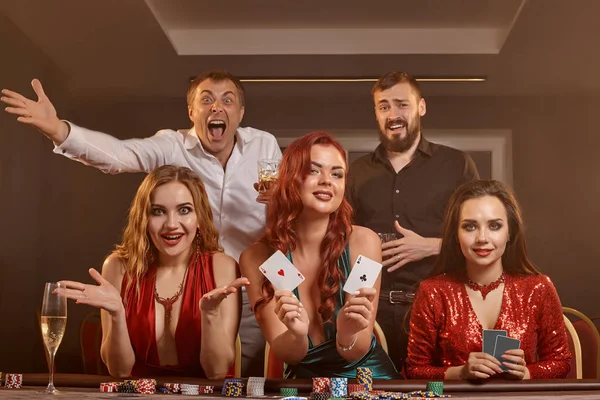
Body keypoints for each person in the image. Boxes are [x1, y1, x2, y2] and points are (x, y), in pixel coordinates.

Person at [1, 71, 280, 376]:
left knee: (251, 378)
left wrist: (283, 200)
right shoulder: (171, 145)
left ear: (240, 113)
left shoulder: (264, 146)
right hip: (183, 280)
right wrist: (58, 129)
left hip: (253, 287)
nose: (217, 107)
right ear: (191, 112)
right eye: (206, 99)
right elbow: (120, 156)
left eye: (228, 100)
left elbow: (287, 226)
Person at [56, 165, 247, 378]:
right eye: (158, 211)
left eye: (184, 210)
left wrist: (210, 314)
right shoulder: (117, 267)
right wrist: (117, 314)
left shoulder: (223, 267)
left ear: (200, 217)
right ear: (143, 219)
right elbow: (119, 370)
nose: (171, 224)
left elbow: (217, 371)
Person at [240, 131, 401, 379]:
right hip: (304, 386)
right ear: (289, 178)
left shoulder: (364, 242)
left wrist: (347, 334)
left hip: (368, 380)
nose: (327, 180)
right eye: (314, 170)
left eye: (337, 174)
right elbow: (289, 353)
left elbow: (356, 349)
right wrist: (296, 334)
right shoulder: (262, 257)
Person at [346, 71, 479, 369]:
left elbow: (482, 235)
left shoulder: (456, 164)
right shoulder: (355, 172)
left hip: (438, 308)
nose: (393, 114)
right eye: (384, 106)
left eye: (401, 104)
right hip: (371, 310)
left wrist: (433, 246)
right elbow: (340, 240)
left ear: (421, 107)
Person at [406, 180, 571, 380]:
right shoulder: (432, 291)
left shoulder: (538, 287)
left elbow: (561, 363)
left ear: (510, 232)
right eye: (470, 227)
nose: (482, 237)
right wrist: (460, 372)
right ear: (456, 234)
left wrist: (527, 372)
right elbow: (414, 370)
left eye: (494, 226)